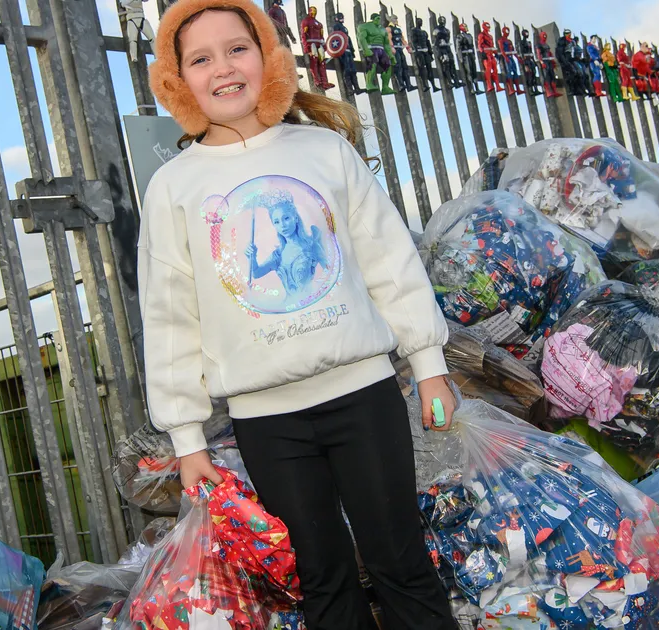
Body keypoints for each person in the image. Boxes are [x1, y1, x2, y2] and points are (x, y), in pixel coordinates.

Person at [144, 1, 458, 629]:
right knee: (322, 578)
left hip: (364, 398)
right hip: (267, 423)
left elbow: (389, 259)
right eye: (201, 59)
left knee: (400, 560)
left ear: (269, 58)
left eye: (238, 48)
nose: (223, 68)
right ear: (177, 83)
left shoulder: (324, 151)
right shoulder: (173, 188)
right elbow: (171, 316)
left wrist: (429, 364)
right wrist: (186, 437)